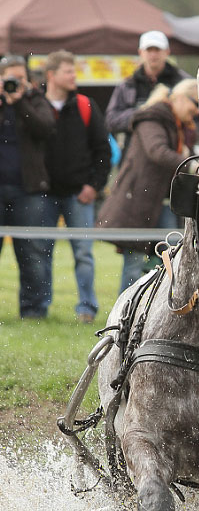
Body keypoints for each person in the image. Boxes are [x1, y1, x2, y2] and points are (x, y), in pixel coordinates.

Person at [97, 79, 199, 293]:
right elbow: (158, 152)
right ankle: (124, 316)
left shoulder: (179, 125)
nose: (197, 111)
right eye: (195, 104)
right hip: (138, 204)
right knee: (134, 264)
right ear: (180, 97)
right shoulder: (151, 119)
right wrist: (192, 165)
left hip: (164, 205)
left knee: (170, 261)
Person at [43, 49, 110, 323]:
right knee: (40, 252)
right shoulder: (35, 105)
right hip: (42, 194)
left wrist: (94, 186)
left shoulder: (86, 105)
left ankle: (87, 308)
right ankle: (37, 308)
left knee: (84, 253)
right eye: (68, 71)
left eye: (74, 70)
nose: (74, 76)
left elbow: (103, 150)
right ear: (51, 75)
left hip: (79, 195)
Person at [0, 54, 54, 318]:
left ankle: (33, 310)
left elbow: (46, 128)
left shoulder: (34, 100)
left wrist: (20, 101)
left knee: (32, 251)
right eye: (9, 78)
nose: (14, 83)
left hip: (28, 189)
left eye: (19, 78)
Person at [104, 30, 190, 158]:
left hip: (174, 156)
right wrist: (140, 114)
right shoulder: (127, 85)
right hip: (134, 157)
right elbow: (111, 120)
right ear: (140, 53)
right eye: (149, 50)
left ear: (167, 52)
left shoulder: (184, 83)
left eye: (157, 50)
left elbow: (198, 119)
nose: (153, 55)